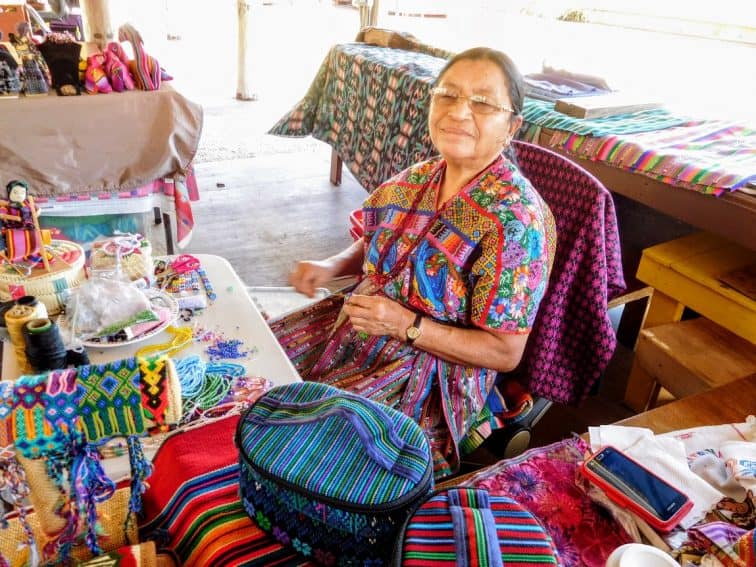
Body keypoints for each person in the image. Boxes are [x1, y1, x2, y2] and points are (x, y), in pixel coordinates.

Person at [286, 47, 556, 478]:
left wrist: (406, 326)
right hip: (356, 327)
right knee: (257, 375)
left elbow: (505, 351)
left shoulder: (515, 222)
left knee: (312, 450)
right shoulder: (421, 176)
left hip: (429, 375)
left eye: (483, 102)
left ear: (512, 126)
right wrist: (330, 265)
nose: (459, 111)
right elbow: (379, 238)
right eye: (447, 95)